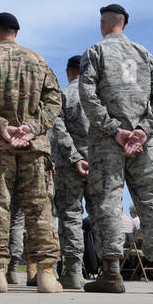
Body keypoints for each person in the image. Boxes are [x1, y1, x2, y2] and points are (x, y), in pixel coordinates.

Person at [0, 12, 63, 293]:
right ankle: (45, 275)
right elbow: (55, 99)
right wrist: (30, 127)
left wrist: (1, 126)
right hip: (34, 147)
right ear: (16, 32)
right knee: (39, 207)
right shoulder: (38, 61)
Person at [78, 3, 153, 294]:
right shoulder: (145, 54)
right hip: (146, 145)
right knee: (152, 202)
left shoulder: (95, 52)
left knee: (107, 200)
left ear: (103, 24)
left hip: (109, 142)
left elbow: (88, 95)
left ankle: (111, 272)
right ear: (124, 24)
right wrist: (144, 130)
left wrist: (115, 130)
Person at [50, 54, 90, 289]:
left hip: (69, 164)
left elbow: (58, 131)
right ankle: (109, 268)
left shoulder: (64, 96)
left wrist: (74, 157)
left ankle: (73, 271)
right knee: (104, 214)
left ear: (69, 71)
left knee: (70, 215)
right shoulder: (101, 97)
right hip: (101, 164)